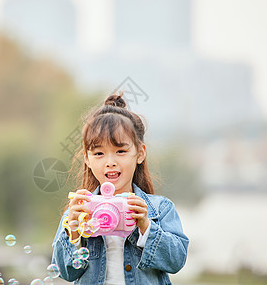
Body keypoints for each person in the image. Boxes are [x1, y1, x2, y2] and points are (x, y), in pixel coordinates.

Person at [51, 93, 189, 284]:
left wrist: (145, 227)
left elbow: (177, 261)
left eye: (121, 151)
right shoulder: (79, 212)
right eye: (99, 153)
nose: (110, 162)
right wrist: (74, 230)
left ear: (140, 154)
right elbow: (66, 272)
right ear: (87, 159)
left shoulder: (159, 209)